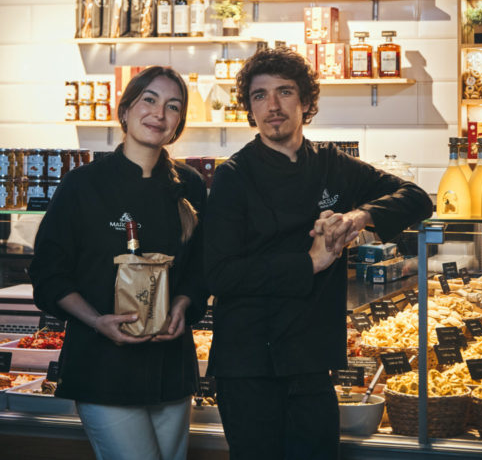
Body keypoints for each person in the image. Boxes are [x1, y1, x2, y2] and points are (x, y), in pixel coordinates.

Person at [204, 47, 433, 460]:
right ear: (250, 109)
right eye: (260, 96)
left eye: (285, 92)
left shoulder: (332, 164)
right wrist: (308, 263)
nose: (273, 107)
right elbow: (220, 275)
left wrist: (361, 216)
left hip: (311, 359)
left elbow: (416, 198)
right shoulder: (232, 176)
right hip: (248, 363)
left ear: (306, 102)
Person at [30, 65, 207, 460]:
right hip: (102, 366)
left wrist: (181, 305)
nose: (159, 114)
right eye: (149, 100)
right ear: (125, 109)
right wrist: (96, 321)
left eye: (173, 107)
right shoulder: (82, 185)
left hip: (171, 367)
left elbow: (199, 270)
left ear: (178, 123)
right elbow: (48, 274)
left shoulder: (190, 185)